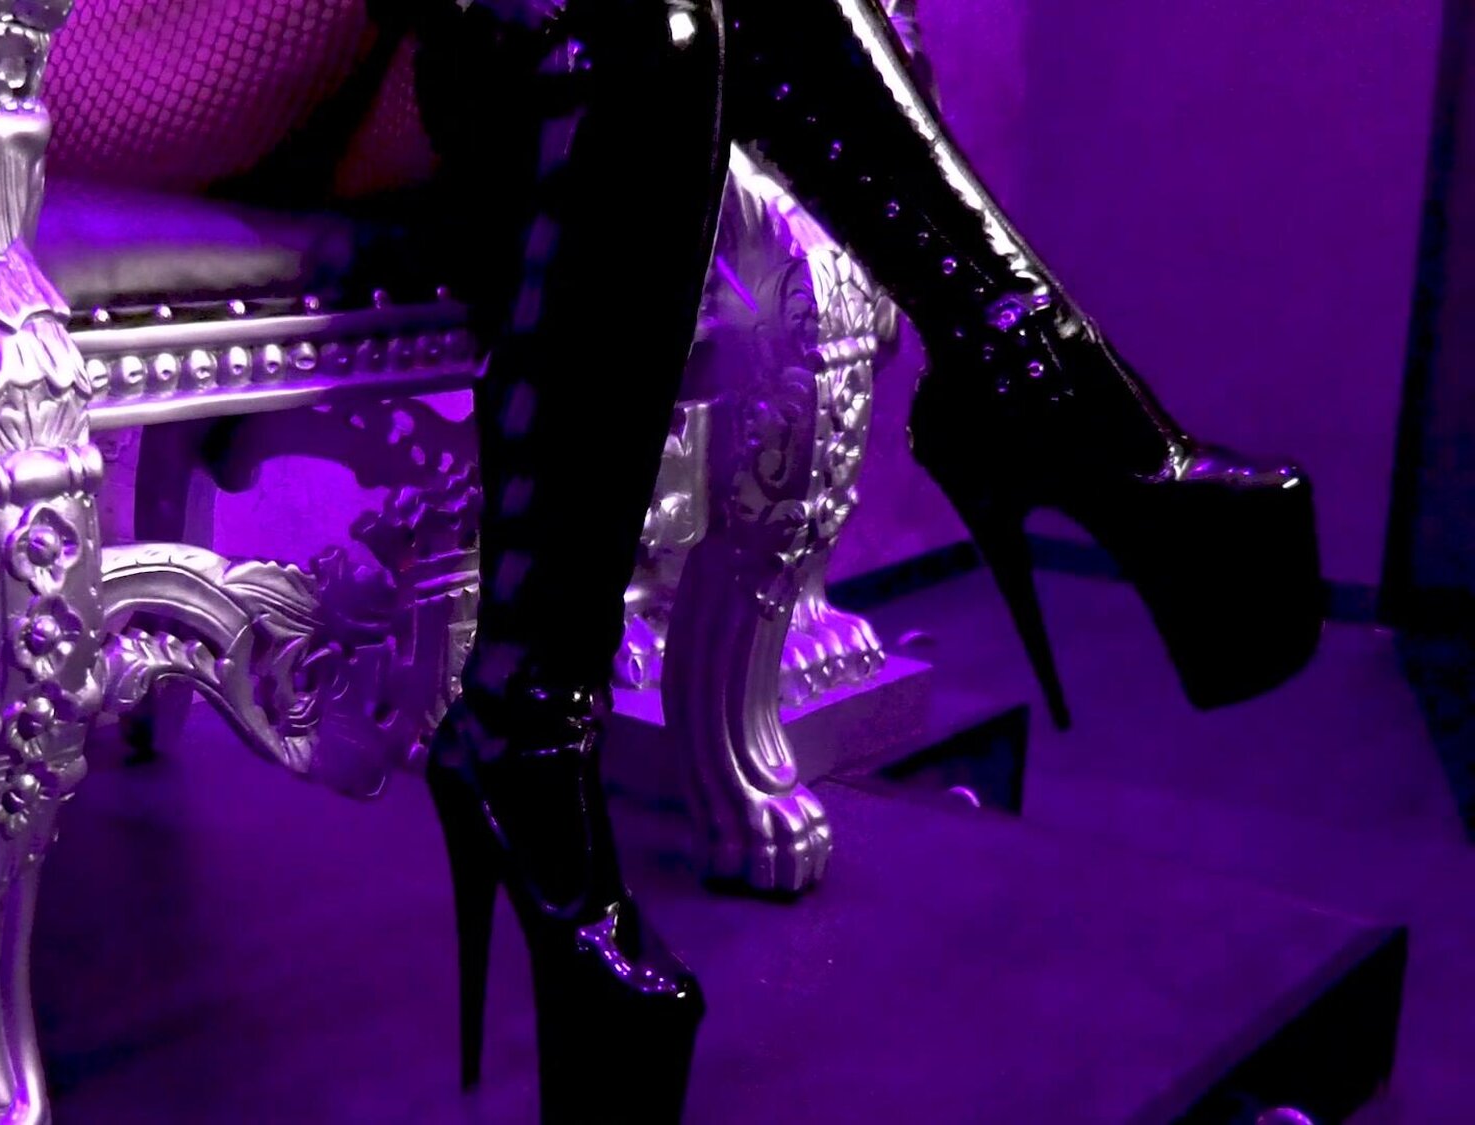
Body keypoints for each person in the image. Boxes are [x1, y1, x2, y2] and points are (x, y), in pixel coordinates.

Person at [397, 0, 1325, 1121]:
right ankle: (1055, 402)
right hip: (242, 55)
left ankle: (523, 734)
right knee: (656, 22)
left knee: (685, 17)